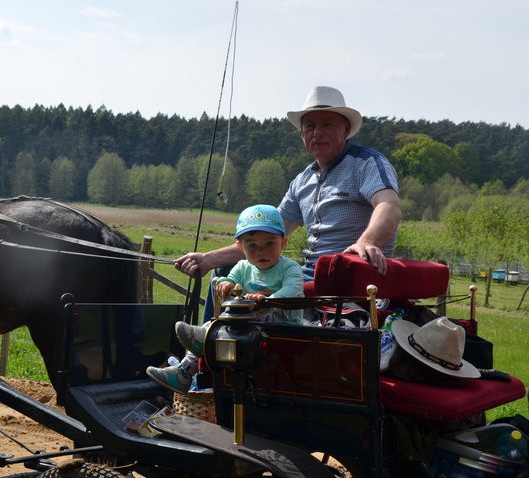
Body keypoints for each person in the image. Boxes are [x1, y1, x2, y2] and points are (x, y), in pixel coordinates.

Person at [174, 85, 402, 288]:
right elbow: (265, 233)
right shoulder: (302, 181)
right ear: (302, 134)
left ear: (345, 129)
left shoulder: (367, 164)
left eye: (327, 124)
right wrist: (208, 258)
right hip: (308, 275)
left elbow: (389, 205)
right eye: (310, 126)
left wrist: (366, 243)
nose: (317, 132)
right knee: (226, 272)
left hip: (353, 274)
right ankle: (211, 334)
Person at [147, 204, 304, 393]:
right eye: (252, 245)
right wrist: (225, 283)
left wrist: (265, 302)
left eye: (269, 243)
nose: (261, 251)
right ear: (241, 247)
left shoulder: (290, 268)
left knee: (220, 327)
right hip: (249, 328)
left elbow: (292, 292)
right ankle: (183, 373)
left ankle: (200, 343)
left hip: (283, 328)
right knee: (217, 325)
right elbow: (231, 279)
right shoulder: (243, 266)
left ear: (283, 243)